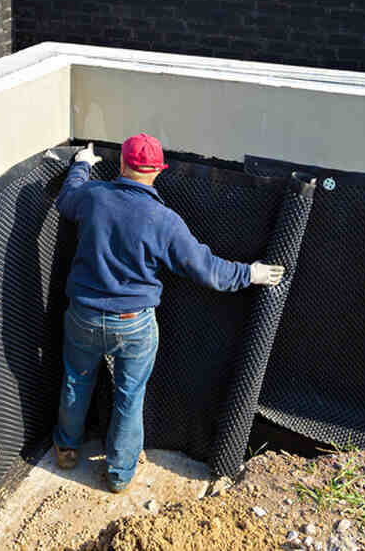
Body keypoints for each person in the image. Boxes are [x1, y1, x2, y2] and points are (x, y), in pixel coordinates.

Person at [50, 133, 286, 492]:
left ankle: (66, 449)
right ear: (158, 171)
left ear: (124, 165)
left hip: (82, 315)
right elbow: (208, 271)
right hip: (133, 324)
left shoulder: (94, 198)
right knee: (130, 397)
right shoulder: (163, 220)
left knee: (75, 381)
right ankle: (119, 475)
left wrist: (81, 164)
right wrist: (251, 273)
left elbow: (67, 199)